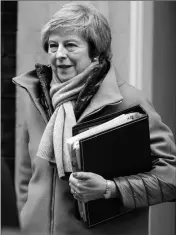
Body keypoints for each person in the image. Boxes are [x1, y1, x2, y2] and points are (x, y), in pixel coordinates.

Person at [13, 2, 176, 235]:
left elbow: (171, 177)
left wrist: (110, 188)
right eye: (52, 45)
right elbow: (26, 176)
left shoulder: (129, 101)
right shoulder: (36, 98)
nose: (59, 54)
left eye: (70, 45)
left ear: (96, 51)